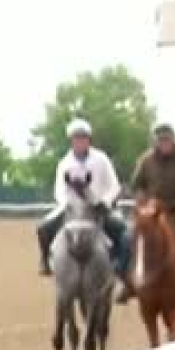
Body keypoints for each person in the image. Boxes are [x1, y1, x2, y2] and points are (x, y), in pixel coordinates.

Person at [116, 123, 175, 307]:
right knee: (127, 238)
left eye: (167, 139)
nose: (164, 143)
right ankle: (126, 283)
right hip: (153, 214)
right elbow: (135, 186)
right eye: (160, 140)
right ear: (155, 142)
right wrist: (144, 202)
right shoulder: (146, 161)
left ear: (174, 140)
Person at [36, 118, 127, 276]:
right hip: (72, 208)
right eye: (76, 138)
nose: (80, 141)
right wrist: (66, 203)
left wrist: (104, 201)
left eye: (83, 138)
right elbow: (59, 189)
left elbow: (114, 185)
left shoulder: (101, 159)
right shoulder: (64, 163)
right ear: (71, 141)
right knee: (43, 227)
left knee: (121, 229)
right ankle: (45, 260)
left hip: (98, 207)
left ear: (89, 140)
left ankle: (119, 262)